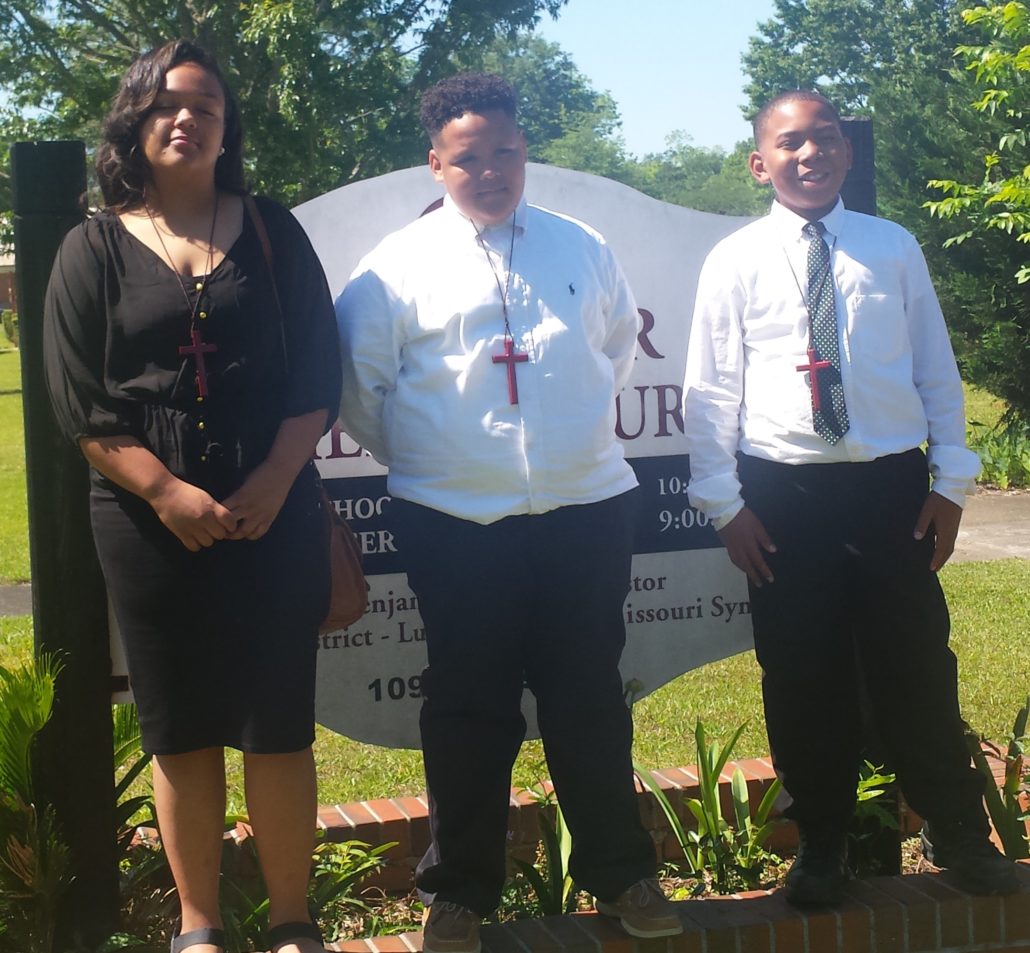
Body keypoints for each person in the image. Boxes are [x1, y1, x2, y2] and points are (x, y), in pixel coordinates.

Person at [335, 73, 681, 952]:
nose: (490, 170)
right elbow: (359, 390)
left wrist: (562, 437)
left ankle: (622, 875)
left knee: (588, 698)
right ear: (435, 164)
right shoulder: (393, 268)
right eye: (468, 158)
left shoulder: (581, 246)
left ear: (525, 152)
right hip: (453, 522)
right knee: (468, 707)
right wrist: (439, 458)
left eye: (506, 152)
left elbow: (614, 354)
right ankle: (458, 892)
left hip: (586, 509)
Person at [683, 89, 1019, 905]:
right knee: (802, 673)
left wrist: (951, 482)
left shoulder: (891, 247)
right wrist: (725, 504)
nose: (812, 154)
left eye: (826, 138)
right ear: (760, 162)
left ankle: (957, 830)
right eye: (791, 142)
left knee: (918, 665)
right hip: (783, 497)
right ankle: (822, 842)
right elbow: (709, 391)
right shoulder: (735, 260)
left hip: (889, 491)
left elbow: (936, 370)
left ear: (846, 150)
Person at [43, 40, 341, 953]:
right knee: (179, 728)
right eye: (168, 104)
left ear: (227, 128)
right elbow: (80, 403)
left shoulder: (272, 231)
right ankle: (199, 924)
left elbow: (318, 372)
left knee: (277, 723)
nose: (188, 119)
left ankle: (291, 919)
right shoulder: (91, 246)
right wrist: (167, 491)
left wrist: (276, 480)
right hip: (147, 525)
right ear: (135, 121)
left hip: (273, 513)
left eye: (207, 106)